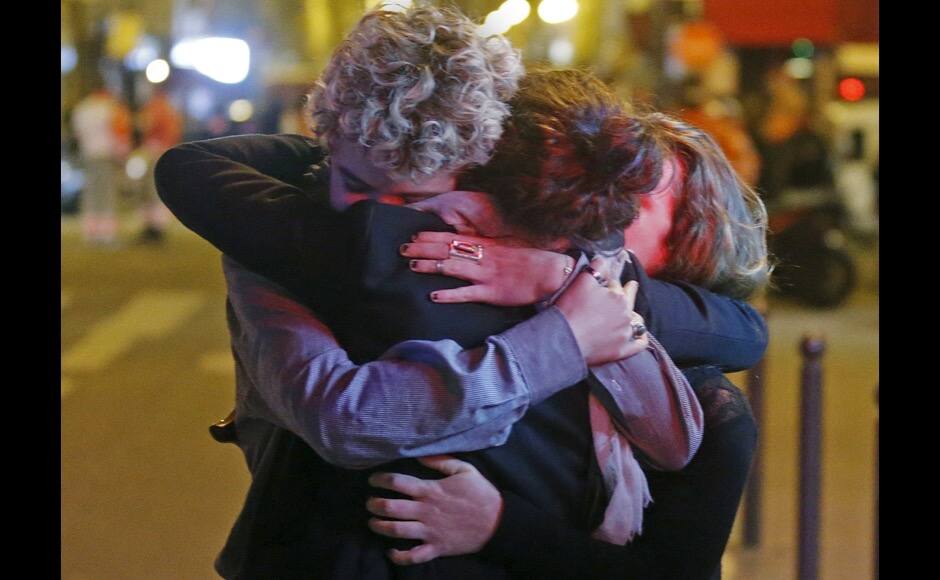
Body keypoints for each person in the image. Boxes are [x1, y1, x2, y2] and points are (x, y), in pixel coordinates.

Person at [156, 7, 766, 579]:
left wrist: (563, 283)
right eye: (358, 183)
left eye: (415, 199)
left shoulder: (582, 273)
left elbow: (742, 337)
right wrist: (561, 335)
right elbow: (342, 413)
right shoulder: (302, 235)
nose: (384, 220)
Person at [367, 109, 769, 578]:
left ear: (687, 242)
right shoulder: (496, 296)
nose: (598, 201)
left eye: (635, 197)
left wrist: (499, 525)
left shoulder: (709, 408)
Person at [70, 86, 132, 245]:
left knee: (91, 194)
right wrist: (122, 155)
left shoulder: (81, 108)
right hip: (106, 155)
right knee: (107, 194)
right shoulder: (110, 108)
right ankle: (107, 233)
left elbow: (77, 134)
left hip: (88, 155)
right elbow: (120, 131)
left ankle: (91, 232)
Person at [135, 87, 183, 243]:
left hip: (154, 151)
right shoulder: (170, 109)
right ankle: (156, 226)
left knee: (151, 190)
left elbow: (146, 126)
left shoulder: (155, 108)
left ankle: (154, 227)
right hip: (165, 150)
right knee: (155, 190)